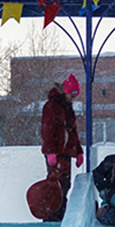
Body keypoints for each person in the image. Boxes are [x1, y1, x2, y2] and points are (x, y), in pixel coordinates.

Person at [40, 74, 84, 207]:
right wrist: (50, 152)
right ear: (65, 92)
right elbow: (47, 131)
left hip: (65, 151)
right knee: (56, 185)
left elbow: (72, 131)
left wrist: (78, 151)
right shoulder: (51, 106)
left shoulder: (67, 107)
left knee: (65, 184)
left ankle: (59, 212)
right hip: (56, 151)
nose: (73, 99)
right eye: (72, 96)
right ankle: (53, 213)